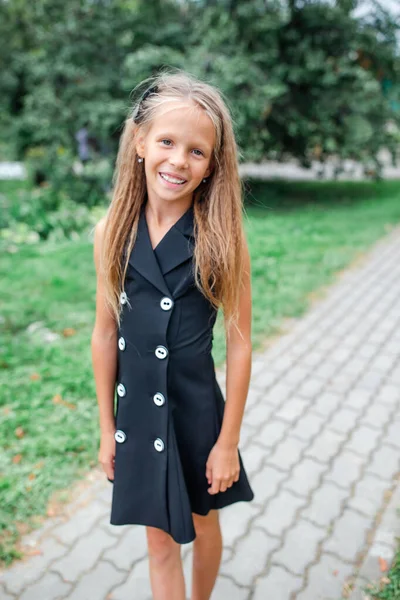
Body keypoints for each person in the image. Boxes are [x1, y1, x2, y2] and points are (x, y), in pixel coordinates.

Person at [91, 69, 254, 600]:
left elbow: (240, 342)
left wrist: (227, 442)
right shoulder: (112, 230)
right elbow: (103, 333)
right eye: (166, 141)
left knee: (203, 525)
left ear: (212, 166)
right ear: (140, 142)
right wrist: (104, 427)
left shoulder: (221, 238)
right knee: (159, 545)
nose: (178, 161)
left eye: (197, 152)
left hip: (195, 413)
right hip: (137, 415)